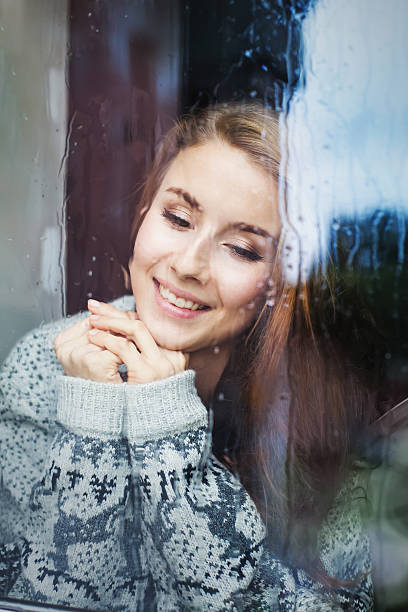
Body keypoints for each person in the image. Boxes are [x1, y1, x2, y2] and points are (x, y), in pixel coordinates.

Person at [0, 103, 373, 610]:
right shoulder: (44, 368)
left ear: (279, 284)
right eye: (177, 218)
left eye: (242, 249)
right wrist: (92, 417)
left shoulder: (316, 406)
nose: (189, 264)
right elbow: (39, 593)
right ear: (142, 215)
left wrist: (169, 434)